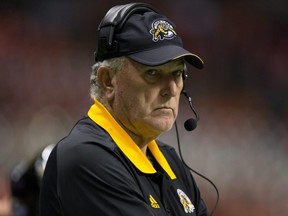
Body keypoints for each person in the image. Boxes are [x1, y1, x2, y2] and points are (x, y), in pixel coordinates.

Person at [39, 2, 209, 216]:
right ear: (108, 80)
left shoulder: (170, 161)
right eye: (153, 74)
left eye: (176, 73)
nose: (172, 89)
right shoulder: (85, 158)